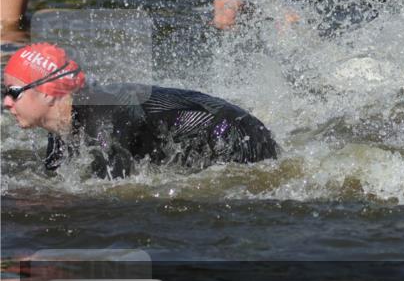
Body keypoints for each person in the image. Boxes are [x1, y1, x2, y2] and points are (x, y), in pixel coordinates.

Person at [2, 43, 278, 179]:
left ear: (49, 92)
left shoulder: (102, 120)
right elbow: (53, 180)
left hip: (236, 134)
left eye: (14, 92)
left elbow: (114, 194)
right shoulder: (61, 127)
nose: (6, 102)